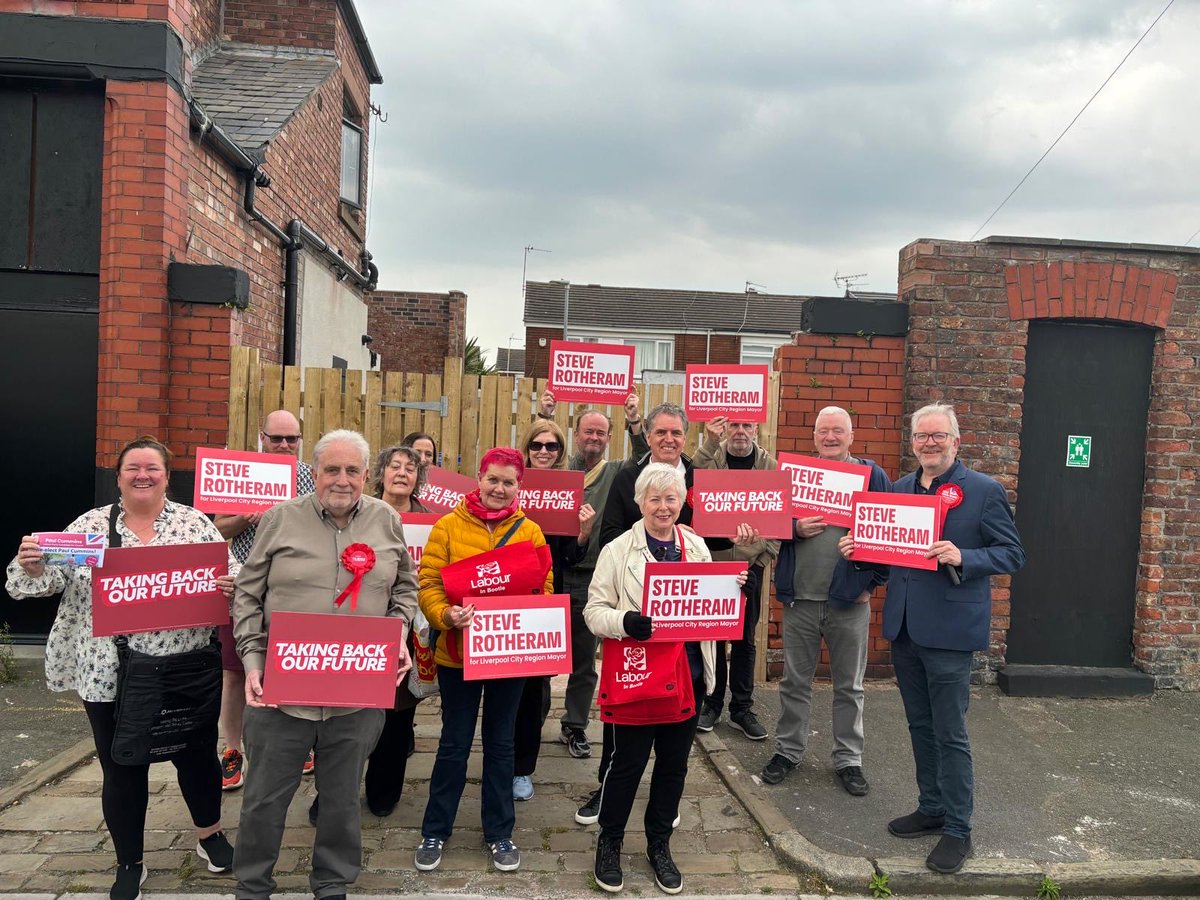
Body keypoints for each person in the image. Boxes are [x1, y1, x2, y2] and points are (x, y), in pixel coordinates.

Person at [6, 435, 239, 900]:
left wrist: (231, 585)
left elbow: (230, 574)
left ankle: (210, 836)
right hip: (111, 670)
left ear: (167, 477)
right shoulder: (92, 529)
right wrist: (32, 568)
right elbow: (42, 582)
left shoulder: (194, 525)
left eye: (152, 467)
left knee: (195, 754)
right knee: (122, 764)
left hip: (184, 666)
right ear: (118, 476)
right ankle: (130, 861)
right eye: (133, 467)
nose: (143, 475)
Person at [231, 429, 418, 900]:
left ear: (365, 475)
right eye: (331, 469)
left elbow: (405, 590)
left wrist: (398, 633)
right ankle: (252, 885)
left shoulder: (386, 520)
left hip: (357, 692)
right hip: (280, 689)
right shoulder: (278, 519)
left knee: (340, 800)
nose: (341, 479)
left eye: (352, 470)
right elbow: (247, 596)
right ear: (314, 472)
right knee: (263, 800)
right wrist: (253, 661)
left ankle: (332, 883)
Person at [838, 403, 1024, 875]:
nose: (929, 443)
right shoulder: (899, 489)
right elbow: (889, 555)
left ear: (956, 441)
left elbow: (1012, 553)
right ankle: (932, 807)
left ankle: (959, 830)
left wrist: (964, 555)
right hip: (905, 628)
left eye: (938, 436)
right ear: (914, 442)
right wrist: (858, 551)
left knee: (951, 732)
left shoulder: (983, 491)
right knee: (919, 726)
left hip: (950, 632)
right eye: (922, 436)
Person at [584, 463, 748, 894]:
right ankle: (610, 842)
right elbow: (593, 611)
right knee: (626, 766)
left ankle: (660, 843)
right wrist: (625, 620)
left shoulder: (695, 545)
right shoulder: (618, 550)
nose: (663, 506)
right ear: (640, 502)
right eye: (654, 498)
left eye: (671, 498)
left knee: (674, 767)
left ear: (682, 502)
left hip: (688, 675)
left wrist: (733, 592)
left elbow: (709, 604)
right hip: (639, 677)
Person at [581, 401, 731, 825]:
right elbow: (610, 537)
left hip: (683, 651)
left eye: (677, 433)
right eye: (661, 432)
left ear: (687, 438)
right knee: (623, 748)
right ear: (648, 437)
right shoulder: (628, 476)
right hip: (636, 637)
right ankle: (608, 798)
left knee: (672, 755)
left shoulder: (699, 484)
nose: (669, 439)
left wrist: (731, 577)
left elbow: (711, 544)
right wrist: (647, 583)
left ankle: (662, 814)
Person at [414, 448, 554, 874]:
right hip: (457, 655)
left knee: (501, 744)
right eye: (493, 479)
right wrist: (445, 615)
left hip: (506, 654)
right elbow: (429, 583)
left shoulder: (530, 531)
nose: (499, 488)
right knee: (454, 743)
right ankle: (435, 829)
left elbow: (544, 584)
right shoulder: (448, 526)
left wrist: (527, 611)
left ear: (519, 487)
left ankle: (499, 833)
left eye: (508, 482)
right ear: (479, 477)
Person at [762, 406, 890, 794]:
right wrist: (794, 527)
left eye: (838, 431)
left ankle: (849, 759)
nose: (830, 437)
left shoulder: (872, 475)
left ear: (851, 436)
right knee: (794, 682)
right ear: (814, 436)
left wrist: (874, 583)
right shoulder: (795, 477)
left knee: (849, 686)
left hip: (849, 601)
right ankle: (788, 750)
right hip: (800, 598)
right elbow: (771, 520)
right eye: (823, 431)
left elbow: (891, 529)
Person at [306, 443, 431, 825]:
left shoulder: (434, 522)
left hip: (406, 630)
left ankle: (383, 791)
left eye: (410, 468)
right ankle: (330, 793)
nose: (402, 473)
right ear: (378, 473)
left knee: (395, 717)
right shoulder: (359, 511)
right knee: (339, 718)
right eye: (394, 465)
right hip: (352, 630)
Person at [536, 389, 647, 760]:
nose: (594, 438)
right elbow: (527, 459)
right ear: (576, 433)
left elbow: (642, 460)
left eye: (601, 433)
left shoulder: (616, 472)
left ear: (608, 437)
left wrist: (634, 421)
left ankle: (575, 725)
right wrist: (544, 415)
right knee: (540, 657)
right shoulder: (556, 467)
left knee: (584, 661)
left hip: (591, 578)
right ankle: (531, 721)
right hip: (549, 574)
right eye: (588, 432)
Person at [213, 408, 317, 790]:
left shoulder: (311, 475)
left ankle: (300, 744)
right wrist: (246, 517)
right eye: (277, 438)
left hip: (295, 586)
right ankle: (232, 750)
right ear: (263, 437)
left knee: (293, 665)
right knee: (234, 672)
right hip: (242, 585)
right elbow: (217, 525)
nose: (285, 445)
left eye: (292, 439)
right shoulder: (241, 471)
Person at [511, 418, 596, 800]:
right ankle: (501, 754)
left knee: (537, 688)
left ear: (562, 453)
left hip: (546, 600)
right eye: (537, 446)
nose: (544, 452)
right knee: (502, 688)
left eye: (553, 447)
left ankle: (521, 766)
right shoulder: (508, 486)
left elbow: (568, 557)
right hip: (504, 599)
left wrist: (581, 535)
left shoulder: (564, 492)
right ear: (526, 448)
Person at [692, 416, 781, 741]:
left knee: (744, 640)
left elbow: (778, 521)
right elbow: (692, 485)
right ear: (726, 429)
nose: (740, 432)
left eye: (747, 426)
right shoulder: (711, 460)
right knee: (713, 637)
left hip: (749, 569)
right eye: (735, 426)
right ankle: (713, 704)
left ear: (756, 430)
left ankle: (741, 708)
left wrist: (759, 559)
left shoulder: (770, 467)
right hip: (713, 566)